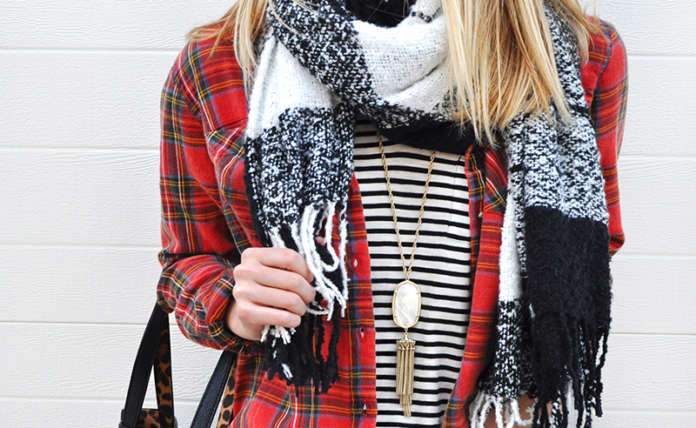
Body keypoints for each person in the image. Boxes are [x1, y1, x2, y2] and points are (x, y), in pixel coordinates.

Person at [155, 0, 628, 426]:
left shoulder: (565, 56)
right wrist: (234, 306)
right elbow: (187, 261)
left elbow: (585, 250)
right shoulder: (222, 61)